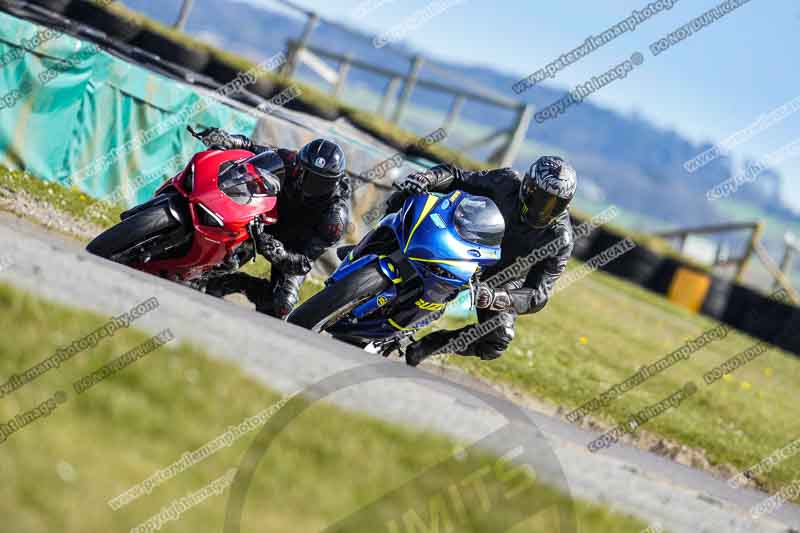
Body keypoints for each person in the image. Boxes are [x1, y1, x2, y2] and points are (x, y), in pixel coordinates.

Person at [386, 156, 577, 366]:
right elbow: (458, 176)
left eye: (553, 205)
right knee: (408, 193)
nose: (542, 209)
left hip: (502, 277)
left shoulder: (560, 238)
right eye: (539, 197)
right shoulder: (505, 181)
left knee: (497, 339)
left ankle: (431, 344)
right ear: (527, 186)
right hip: (464, 241)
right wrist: (428, 177)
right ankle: (375, 247)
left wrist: (499, 297)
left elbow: (538, 294)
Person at [195, 128, 351, 319]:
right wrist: (229, 139)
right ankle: (201, 267)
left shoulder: (335, 217)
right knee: (220, 263)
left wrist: (282, 256)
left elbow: (304, 262)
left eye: (320, 182)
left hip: (292, 248)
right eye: (306, 174)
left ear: (333, 183)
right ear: (300, 165)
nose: (309, 184)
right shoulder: (290, 161)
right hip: (260, 224)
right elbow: (254, 148)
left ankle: (233, 282)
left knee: (282, 306)